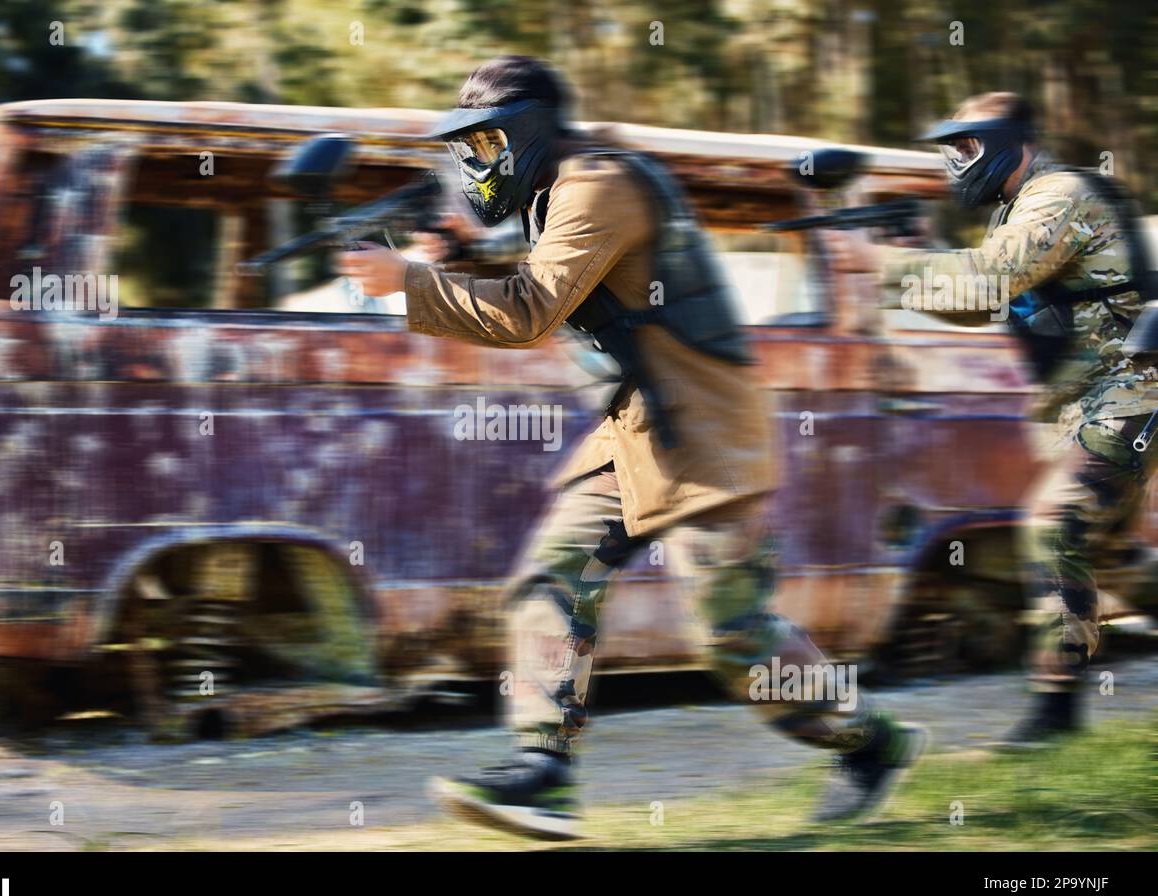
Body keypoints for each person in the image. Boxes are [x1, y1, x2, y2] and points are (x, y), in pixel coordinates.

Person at [339, 55, 925, 839]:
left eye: (484, 145)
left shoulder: (595, 185)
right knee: (552, 577)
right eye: (466, 150)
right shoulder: (560, 192)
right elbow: (565, 279)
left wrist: (408, 281)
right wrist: (452, 254)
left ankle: (870, 742)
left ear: (526, 131)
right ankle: (540, 772)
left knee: (732, 634)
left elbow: (528, 310)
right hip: (634, 430)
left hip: (703, 429)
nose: (475, 165)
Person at [828, 91, 1158, 748]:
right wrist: (909, 259)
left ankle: (1055, 716)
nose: (957, 161)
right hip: (1088, 399)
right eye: (952, 149)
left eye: (967, 146)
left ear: (1014, 144)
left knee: (1053, 524)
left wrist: (883, 264)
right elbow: (981, 306)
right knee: (1113, 552)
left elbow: (983, 282)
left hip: (1134, 388)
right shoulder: (1017, 208)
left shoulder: (1058, 194)